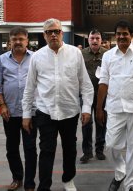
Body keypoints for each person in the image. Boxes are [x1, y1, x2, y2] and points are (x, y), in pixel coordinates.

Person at [22, 18, 94, 191]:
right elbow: (29, 88)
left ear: (62, 33)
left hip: (69, 111)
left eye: (57, 31)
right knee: (46, 150)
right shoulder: (37, 57)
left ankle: (68, 179)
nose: (53, 35)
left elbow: (85, 84)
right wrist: (26, 115)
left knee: (70, 149)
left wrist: (86, 109)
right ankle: (44, 186)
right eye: (49, 32)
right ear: (44, 35)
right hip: (45, 112)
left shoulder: (75, 54)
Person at [96, 20, 133, 191]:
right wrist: (98, 108)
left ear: (131, 36)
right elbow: (103, 82)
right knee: (111, 145)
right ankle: (120, 173)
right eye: (118, 33)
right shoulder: (108, 56)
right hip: (114, 107)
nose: (121, 36)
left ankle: (131, 184)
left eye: (125, 33)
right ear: (115, 36)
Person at [0, 26, 37, 191]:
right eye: (14, 39)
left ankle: (30, 182)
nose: (18, 42)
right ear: (9, 42)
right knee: (11, 148)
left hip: (30, 113)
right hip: (9, 112)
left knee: (30, 148)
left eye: (21, 39)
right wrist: (2, 105)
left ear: (27, 40)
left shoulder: (35, 58)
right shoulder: (2, 60)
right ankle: (17, 178)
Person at [80, 29, 108, 163]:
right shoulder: (82, 54)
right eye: (92, 38)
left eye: (97, 38)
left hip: (102, 94)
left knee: (101, 122)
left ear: (101, 40)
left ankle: (100, 150)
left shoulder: (107, 54)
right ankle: (87, 152)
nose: (95, 41)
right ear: (88, 40)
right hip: (86, 94)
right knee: (86, 123)